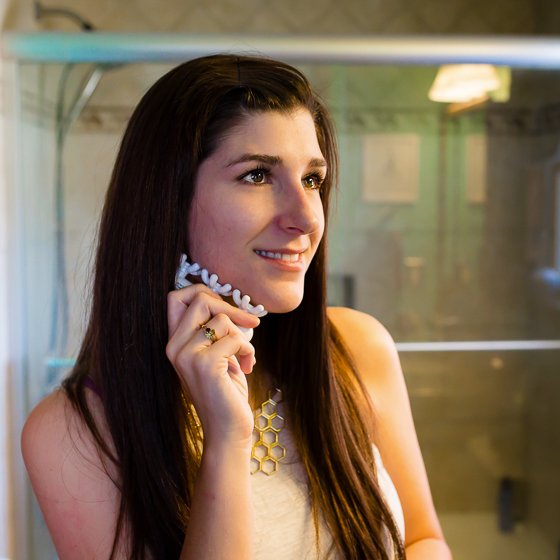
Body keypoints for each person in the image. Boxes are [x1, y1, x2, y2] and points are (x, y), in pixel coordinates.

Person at [21, 54, 451, 560]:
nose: (307, 218)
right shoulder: (73, 431)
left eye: (312, 179)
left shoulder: (358, 348)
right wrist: (226, 440)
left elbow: (422, 539)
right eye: (258, 175)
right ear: (168, 201)